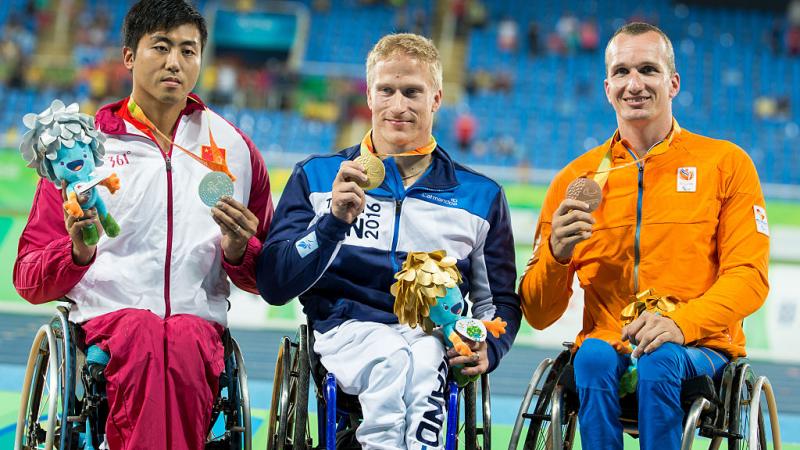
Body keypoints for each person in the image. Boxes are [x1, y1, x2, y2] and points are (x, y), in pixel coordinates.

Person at [13, 1, 273, 448]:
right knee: (144, 334)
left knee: (184, 337)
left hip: (198, 329)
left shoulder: (236, 149)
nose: (175, 62)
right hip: (111, 326)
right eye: (161, 47)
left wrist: (239, 251)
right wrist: (76, 252)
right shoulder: (80, 146)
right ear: (129, 56)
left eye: (188, 51)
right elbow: (28, 277)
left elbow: (268, 276)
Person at [256, 33, 521, 450]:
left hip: (432, 339)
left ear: (436, 98)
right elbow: (274, 284)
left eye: (412, 92)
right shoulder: (318, 178)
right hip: (345, 332)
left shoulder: (480, 196)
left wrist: (489, 344)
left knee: (422, 359)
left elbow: (500, 301)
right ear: (369, 95)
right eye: (387, 91)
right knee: (394, 358)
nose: (399, 106)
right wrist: (332, 224)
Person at [518, 22, 769, 450]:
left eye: (648, 70)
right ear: (607, 87)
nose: (634, 84)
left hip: (698, 347)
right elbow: (539, 314)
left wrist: (680, 324)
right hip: (606, 346)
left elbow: (749, 277)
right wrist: (556, 257)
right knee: (593, 355)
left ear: (672, 83)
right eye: (621, 72)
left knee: (659, 359)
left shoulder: (725, 164)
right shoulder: (573, 181)